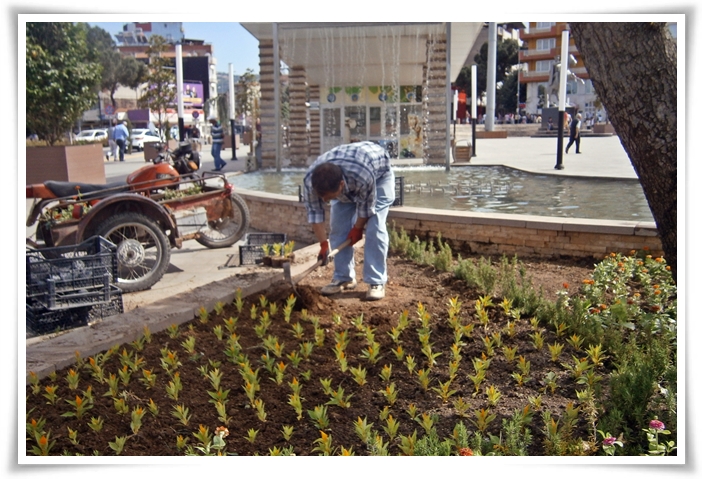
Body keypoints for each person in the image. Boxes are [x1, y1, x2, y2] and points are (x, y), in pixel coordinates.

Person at [302, 141, 395, 301]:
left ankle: (376, 281)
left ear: (341, 185)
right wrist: (324, 244)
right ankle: (344, 277)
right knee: (338, 228)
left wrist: (357, 229)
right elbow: (315, 213)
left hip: (379, 176)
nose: (325, 200)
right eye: (322, 197)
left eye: (329, 197)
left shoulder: (363, 175)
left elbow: (367, 207)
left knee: (375, 226)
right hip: (349, 180)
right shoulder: (310, 182)